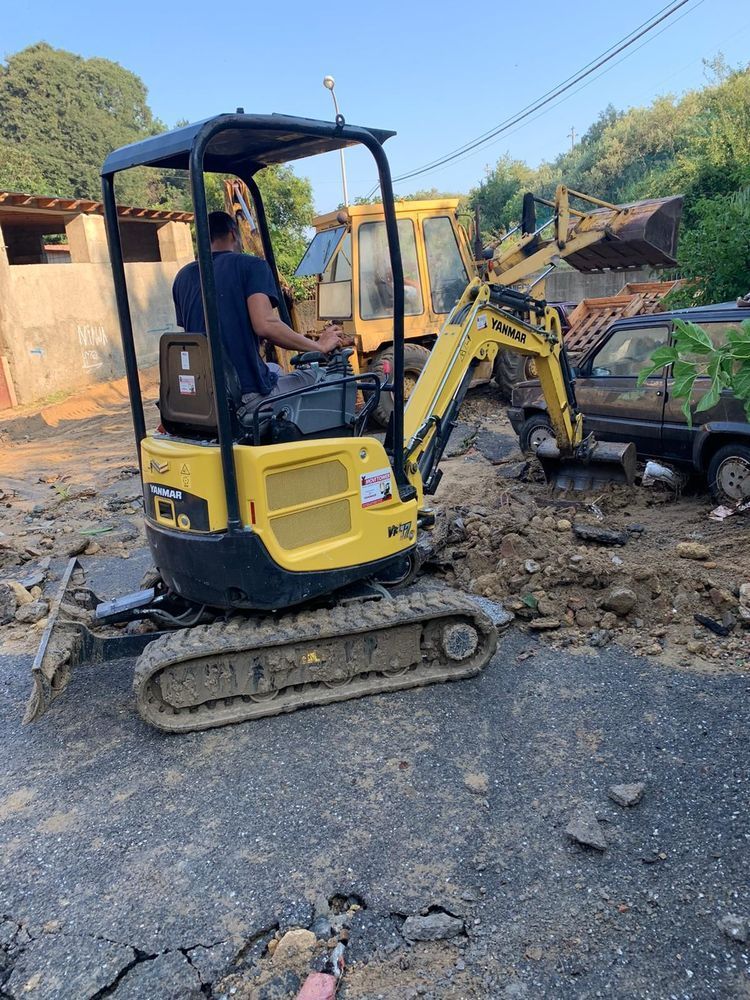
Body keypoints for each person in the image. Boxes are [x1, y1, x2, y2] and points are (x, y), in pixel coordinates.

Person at [172, 211, 347, 411]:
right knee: (319, 376)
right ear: (233, 234)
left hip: (205, 397)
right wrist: (319, 346)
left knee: (275, 369)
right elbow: (265, 325)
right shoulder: (251, 266)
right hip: (244, 396)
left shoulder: (182, 277)